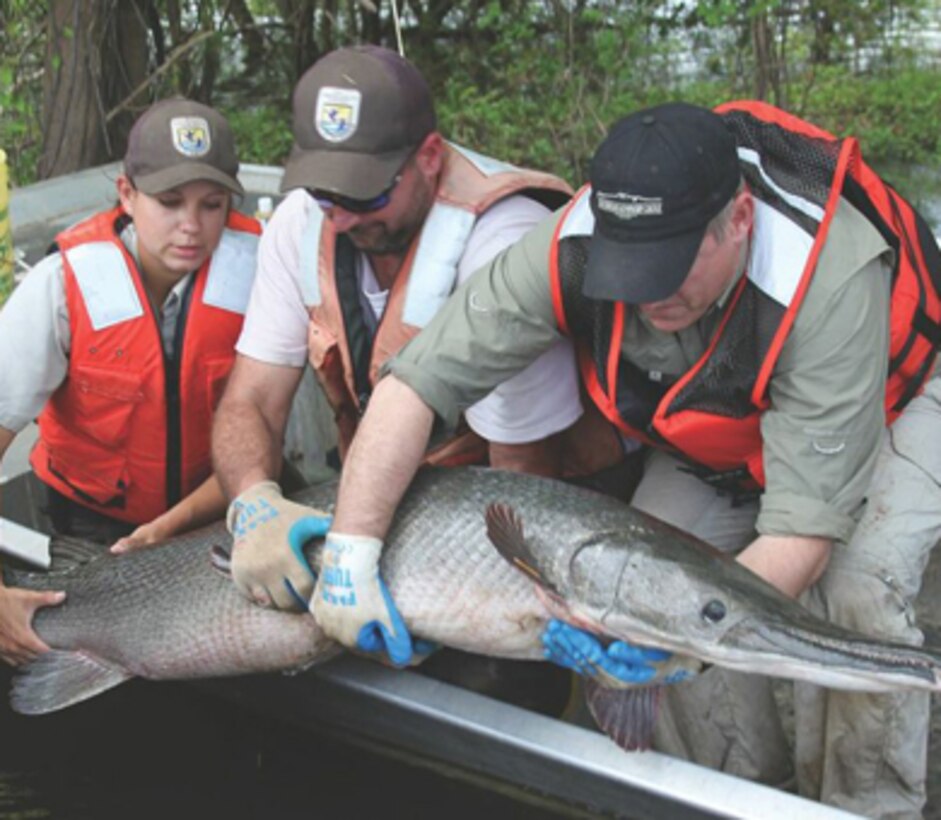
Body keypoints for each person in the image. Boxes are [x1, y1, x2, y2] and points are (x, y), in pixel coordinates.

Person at [319, 100, 941, 818]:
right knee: (644, 585)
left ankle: (864, 807)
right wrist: (351, 552)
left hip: (891, 394)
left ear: (738, 220)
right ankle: (735, 794)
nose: (646, 292)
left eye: (669, 266)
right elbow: (415, 387)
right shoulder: (570, 242)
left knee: (858, 588)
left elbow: (800, 535)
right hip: (720, 422)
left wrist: (682, 644)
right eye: (629, 265)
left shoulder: (827, 277)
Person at [212, 46, 623, 629]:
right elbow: (249, 399)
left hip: (519, 501)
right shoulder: (304, 223)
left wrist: (491, 609)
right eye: (326, 194)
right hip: (384, 494)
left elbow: (522, 473)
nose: (342, 217)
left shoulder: (501, 241)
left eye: (366, 194)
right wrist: (251, 500)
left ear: (430, 157)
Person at [0, 98, 260, 665]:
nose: (191, 225)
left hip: (220, 514)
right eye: (169, 203)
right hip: (89, 530)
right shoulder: (61, 285)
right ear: (126, 195)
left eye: (211, 205)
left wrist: (172, 526)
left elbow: (263, 439)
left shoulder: (263, 274)